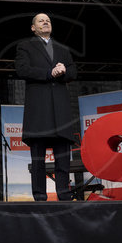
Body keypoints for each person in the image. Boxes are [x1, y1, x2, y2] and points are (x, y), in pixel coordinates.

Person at [15, 13, 77, 201]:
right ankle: (40, 196)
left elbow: (73, 71)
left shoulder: (62, 49)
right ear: (33, 28)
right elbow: (22, 70)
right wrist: (49, 73)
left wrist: (64, 71)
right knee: (38, 159)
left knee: (63, 157)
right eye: (40, 20)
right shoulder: (25, 46)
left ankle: (64, 194)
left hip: (61, 110)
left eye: (48, 20)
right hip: (39, 110)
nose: (45, 22)